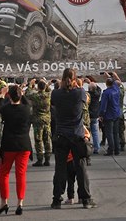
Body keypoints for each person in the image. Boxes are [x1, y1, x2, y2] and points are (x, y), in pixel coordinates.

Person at [50, 68, 96, 209]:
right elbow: (86, 100)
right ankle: (86, 199)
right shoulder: (80, 92)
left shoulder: (56, 93)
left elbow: (53, 104)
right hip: (77, 134)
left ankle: (57, 199)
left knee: (60, 169)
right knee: (81, 168)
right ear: (75, 79)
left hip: (62, 134)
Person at [0, 85, 32, 216]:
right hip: (24, 145)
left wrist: (1, 94)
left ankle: (4, 201)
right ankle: (20, 203)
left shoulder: (6, 109)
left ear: (9, 96)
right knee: (21, 174)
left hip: (9, 144)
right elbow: (27, 102)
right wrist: (21, 93)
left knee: (4, 174)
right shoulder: (27, 109)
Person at [26, 79, 52, 167]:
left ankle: (40, 159)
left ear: (38, 87)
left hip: (37, 120)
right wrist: (46, 84)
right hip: (46, 119)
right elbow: (50, 90)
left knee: (38, 140)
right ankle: (47, 158)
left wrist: (30, 84)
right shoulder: (48, 95)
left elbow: (27, 94)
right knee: (47, 139)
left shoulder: (35, 96)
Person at [99, 72, 122, 156]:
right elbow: (117, 81)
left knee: (109, 133)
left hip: (109, 114)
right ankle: (117, 149)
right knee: (115, 133)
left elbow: (103, 106)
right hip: (116, 113)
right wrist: (110, 76)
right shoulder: (116, 89)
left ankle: (111, 149)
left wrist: (101, 115)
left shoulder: (106, 93)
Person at [86, 83, 101, 155]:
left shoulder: (87, 95)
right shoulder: (97, 94)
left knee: (87, 133)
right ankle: (96, 148)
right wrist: (92, 83)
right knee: (95, 133)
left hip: (88, 116)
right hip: (95, 116)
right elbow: (99, 89)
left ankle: (87, 147)